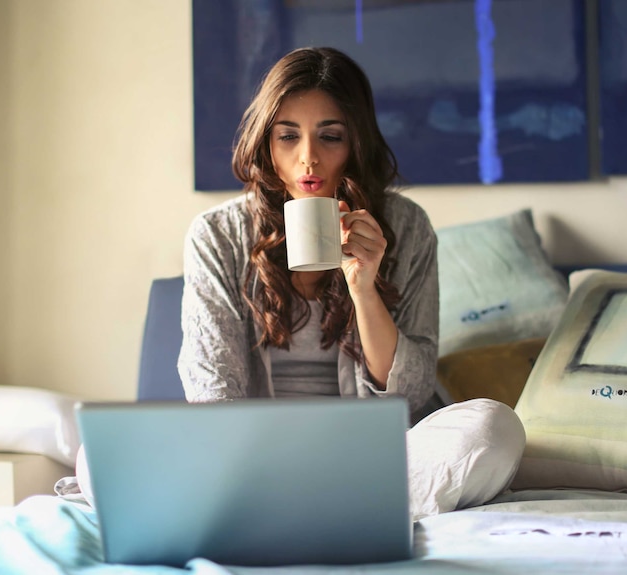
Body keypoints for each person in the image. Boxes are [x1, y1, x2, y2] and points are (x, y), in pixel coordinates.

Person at [176, 46, 525, 520]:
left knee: (493, 428)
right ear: (266, 143)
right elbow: (212, 389)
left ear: (355, 142)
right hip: (255, 457)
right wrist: (246, 460)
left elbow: (411, 392)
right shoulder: (217, 235)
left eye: (330, 136)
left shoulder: (407, 226)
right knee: (96, 459)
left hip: (374, 456)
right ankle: (331, 507)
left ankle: (294, 509)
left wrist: (364, 287)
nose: (309, 159)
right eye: (288, 136)